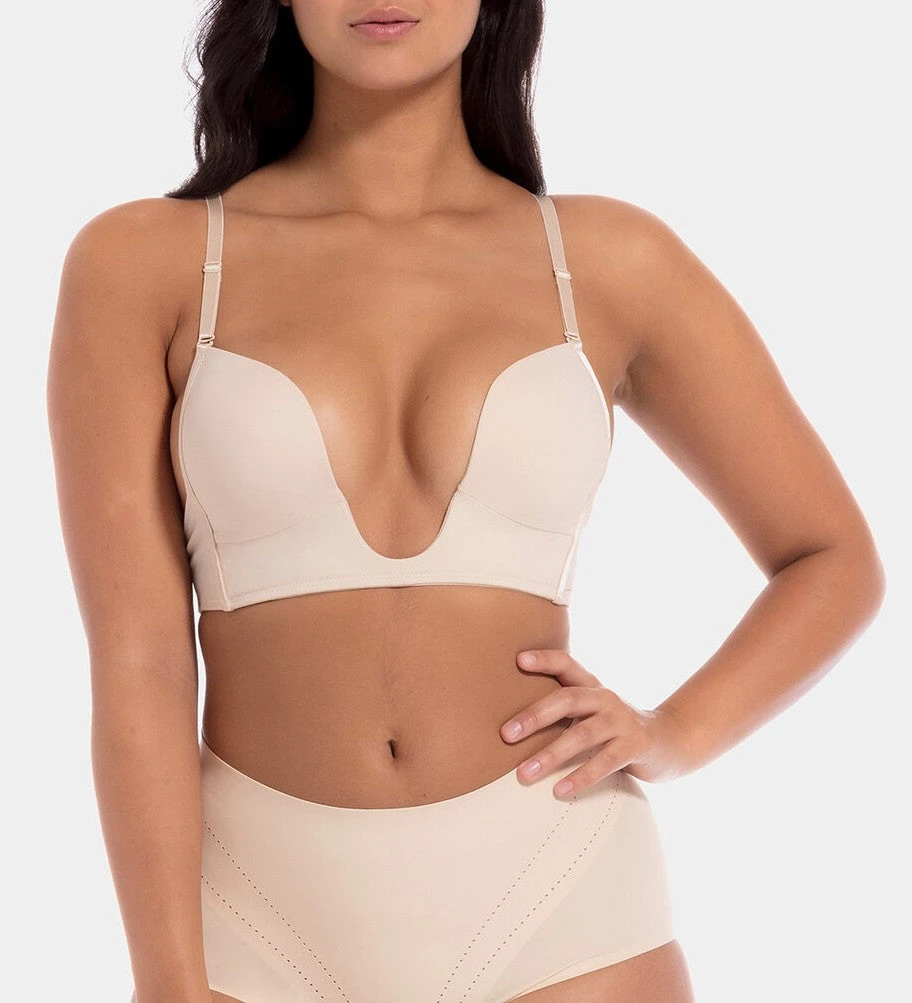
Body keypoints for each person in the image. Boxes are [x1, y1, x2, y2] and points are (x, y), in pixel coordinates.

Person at [46, 1, 886, 1001]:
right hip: (251, 915)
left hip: (560, 903)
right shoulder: (145, 262)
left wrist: (675, 732)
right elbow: (137, 660)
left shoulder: (610, 260)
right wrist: (167, 979)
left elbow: (831, 557)